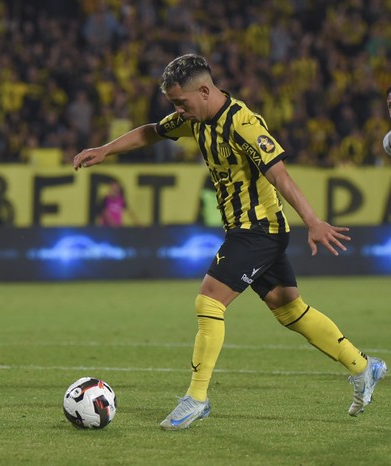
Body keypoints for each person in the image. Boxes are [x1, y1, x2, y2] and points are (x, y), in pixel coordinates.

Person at [73, 54, 387, 430]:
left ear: (204, 90)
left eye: (181, 103)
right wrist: (106, 150)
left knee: (208, 300)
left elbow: (281, 175)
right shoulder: (197, 119)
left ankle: (197, 397)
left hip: (259, 230)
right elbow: (152, 131)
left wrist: (313, 221)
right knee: (290, 310)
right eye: (174, 104)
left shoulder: (243, 122)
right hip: (243, 230)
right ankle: (363, 366)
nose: (178, 111)